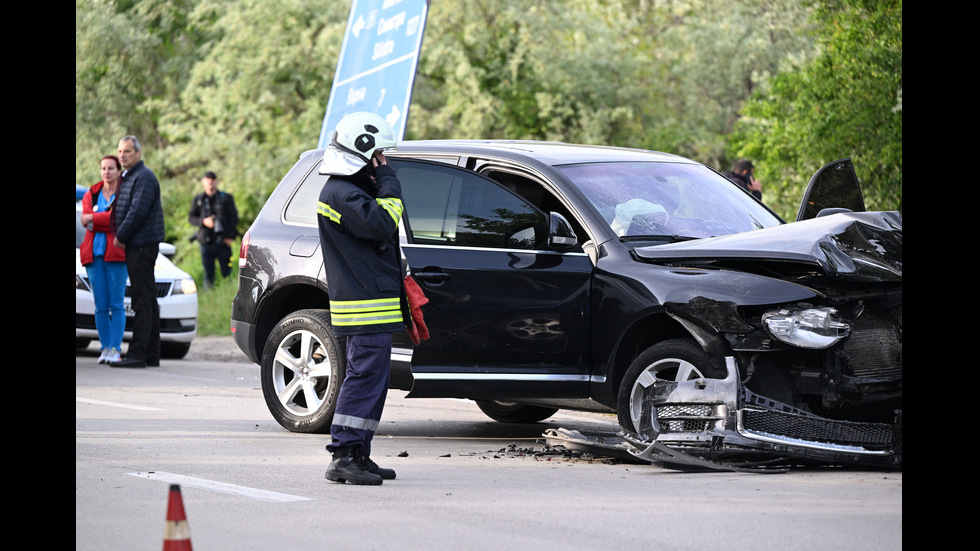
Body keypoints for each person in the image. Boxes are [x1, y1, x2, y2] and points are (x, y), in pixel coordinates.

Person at [317, 112, 409, 485]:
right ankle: (343, 454)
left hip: (371, 303)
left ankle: (358, 452)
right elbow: (383, 224)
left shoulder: (351, 190)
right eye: (379, 156)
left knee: (373, 379)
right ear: (364, 150)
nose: (383, 162)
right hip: (363, 305)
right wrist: (388, 181)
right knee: (363, 377)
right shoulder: (344, 193)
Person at [110, 135, 165, 368]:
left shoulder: (144, 177)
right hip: (138, 245)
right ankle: (151, 354)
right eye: (120, 151)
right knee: (148, 300)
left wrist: (121, 237)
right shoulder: (129, 176)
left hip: (141, 246)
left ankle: (137, 355)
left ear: (138, 153)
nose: (122, 155)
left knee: (141, 300)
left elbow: (137, 211)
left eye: (127, 151)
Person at [79, 155, 128, 364]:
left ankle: (116, 349)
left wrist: (95, 219)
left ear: (118, 171)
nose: (106, 172)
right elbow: (84, 220)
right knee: (100, 305)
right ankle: (105, 347)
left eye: (111, 168)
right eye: (103, 168)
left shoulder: (124, 192)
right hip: (94, 256)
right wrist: (105, 220)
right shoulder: (92, 193)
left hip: (116, 255)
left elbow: (119, 219)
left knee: (116, 304)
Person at [188, 170, 239, 287]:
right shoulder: (199, 199)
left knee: (227, 274)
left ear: (216, 181)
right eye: (207, 179)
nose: (210, 181)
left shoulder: (225, 198)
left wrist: (230, 236)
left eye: (212, 178)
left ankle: (228, 294)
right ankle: (209, 296)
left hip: (223, 241)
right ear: (203, 181)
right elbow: (191, 218)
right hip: (206, 242)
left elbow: (234, 218)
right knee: (208, 275)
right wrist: (204, 221)